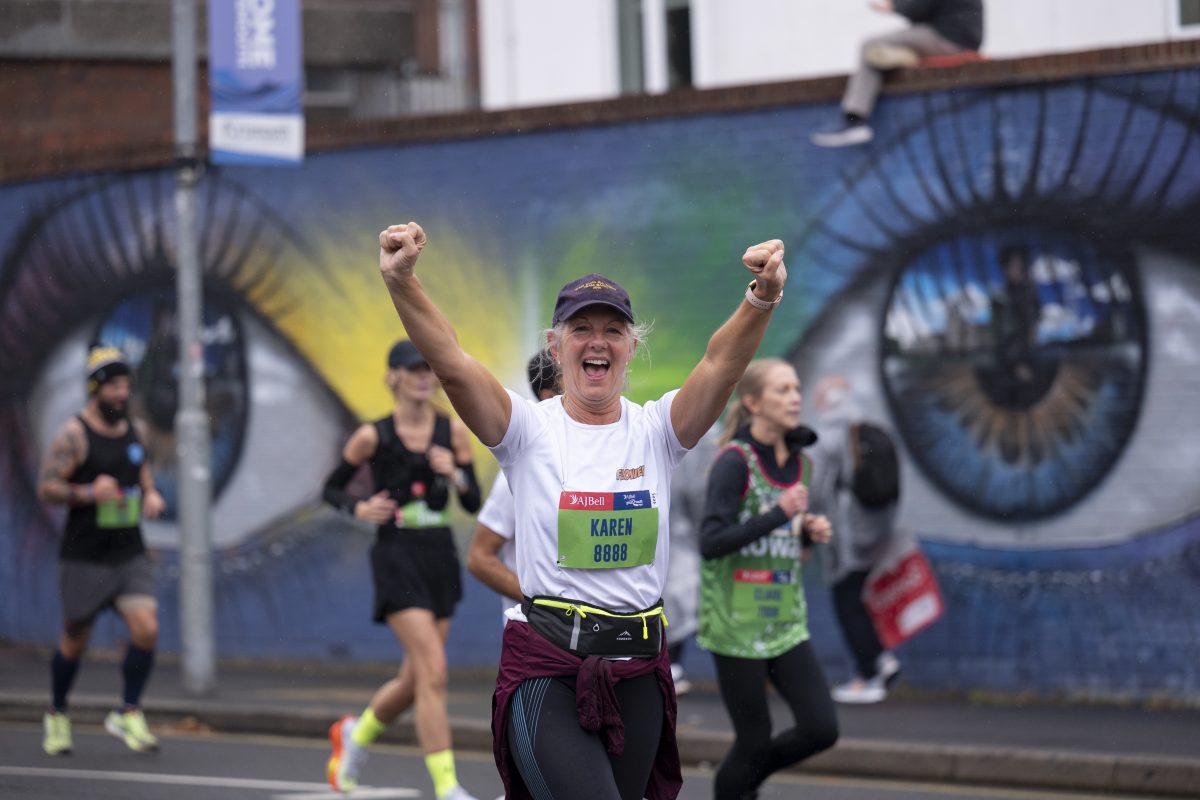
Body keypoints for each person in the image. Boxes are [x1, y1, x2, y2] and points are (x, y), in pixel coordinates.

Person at [376, 220, 787, 800]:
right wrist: (402, 282)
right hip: (549, 666)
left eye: (613, 329)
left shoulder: (657, 431)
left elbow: (721, 366)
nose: (597, 341)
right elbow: (451, 362)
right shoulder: (524, 430)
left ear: (631, 346)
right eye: (581, 328)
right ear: (555, 344)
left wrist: (761, 298)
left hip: (641, 665)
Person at [321, 339, 482, 800]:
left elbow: (473, 502)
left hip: (438, 552)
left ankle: (356, 733)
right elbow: (330, 490)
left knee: (416, 679)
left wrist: (455, 473)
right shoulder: (372, 436)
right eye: (412, 370)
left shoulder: (451, 432)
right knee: (434, 670)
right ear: (392, 376)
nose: (422, 378)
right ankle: (448, 786)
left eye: (427, 370)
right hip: (395, 553)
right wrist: (360, 507)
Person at [697, 358, 838, 800]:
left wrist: (805, 529)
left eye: (796, 388)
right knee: (753, 740)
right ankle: (735, 787)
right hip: (736, 626)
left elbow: (782, 537)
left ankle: (740, 783)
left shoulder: (801, 464)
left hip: (785, 622)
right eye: (782, 390)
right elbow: (711, 541)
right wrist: (781, 514)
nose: (795, 397)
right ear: (753, 402)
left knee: (821, 728)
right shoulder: (734, 462)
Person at [35, 344, 167, 756]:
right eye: (114, 386)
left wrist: (150, 495)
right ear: (96, 389)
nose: (122, 394)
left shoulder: (137, 430)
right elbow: (47, 487)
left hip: (128, 550)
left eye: (126, 385)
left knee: (146, 628)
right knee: (75, 639)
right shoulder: (73, 435)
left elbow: (143, 471)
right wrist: (88, 491)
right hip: (85, 553)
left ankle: (128, 712)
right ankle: (57, 715)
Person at [809, 375, 902, 704]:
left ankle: (870, 676)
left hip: (847, 535)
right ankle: (881, 659)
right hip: (877, 530)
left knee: (847, 602)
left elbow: (817, 489)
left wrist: (805, 526)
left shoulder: (829, 434)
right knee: (858, 599)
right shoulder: (868, 424)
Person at [811, 0, 984, 148]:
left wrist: (893, 5)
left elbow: (919, 7)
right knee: (882, 49)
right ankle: (902, 55)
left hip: (948, 38)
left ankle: (854, 120)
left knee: (870, 46)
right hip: (963, 38)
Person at [466, 350, 561, 608]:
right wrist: (545, 607)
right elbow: (479, 557)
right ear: (548, 397)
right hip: (541, 640)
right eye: (580, 377)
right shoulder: (525, 467)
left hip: (613, 639)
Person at [662, 423, 719, 696]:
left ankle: (671, 662)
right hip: (675, 533)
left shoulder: (705, 436)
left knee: (680, 596)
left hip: (681, 534)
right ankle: (668, 663)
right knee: (677, 597)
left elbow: (697, 492)